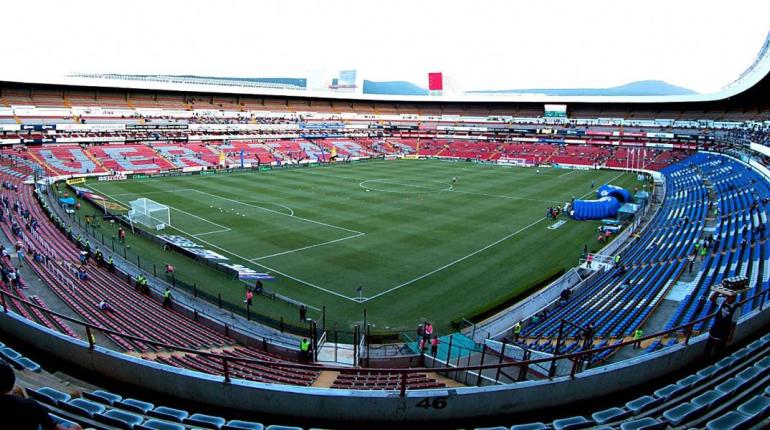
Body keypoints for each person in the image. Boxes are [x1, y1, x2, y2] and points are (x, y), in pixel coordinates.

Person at [0, 362, 81, 430]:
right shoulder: (30, 405)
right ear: (12, 380)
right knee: (75, 426)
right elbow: (54, 427)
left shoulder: (29, 405)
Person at [704, 292, 740, 359]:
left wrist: (731, 334)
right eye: (727, 296)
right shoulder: (723, 300)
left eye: (729, 297)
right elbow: (712, 299)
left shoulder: (736, 307)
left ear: (734, 298)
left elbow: (734, 322)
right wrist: (718, 292)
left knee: (718, 351)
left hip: (724, 331)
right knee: (708, 348)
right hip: (715, 328)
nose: (727, 298)